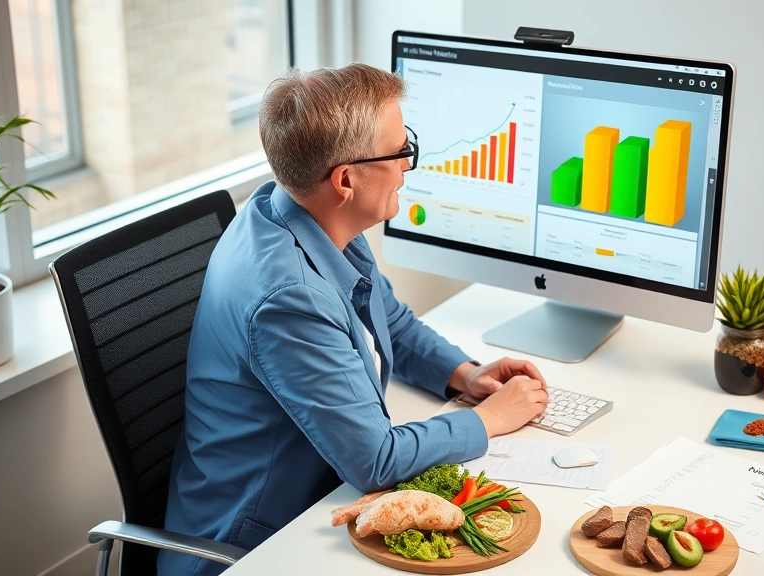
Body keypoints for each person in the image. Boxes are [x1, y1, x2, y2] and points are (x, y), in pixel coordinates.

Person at [158, 63, 549, 576]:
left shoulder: (298, 212)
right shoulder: (287, 297)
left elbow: (392, 322)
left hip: (313, 493)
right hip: (255, 543)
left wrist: (466, 375)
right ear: (345, 179)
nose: (409, 164)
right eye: (400, 149)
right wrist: (491, 419)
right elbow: (375, 461)